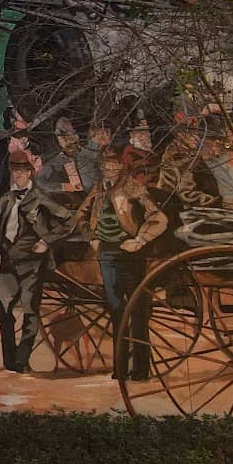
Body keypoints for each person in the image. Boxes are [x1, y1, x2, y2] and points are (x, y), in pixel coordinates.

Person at [76, 148, 167, 380]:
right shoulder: (98, 189)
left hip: (130, 254)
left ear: (120, 166)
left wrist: (140, 240)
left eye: (114, 164)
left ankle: (140, 370)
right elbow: (81, 215)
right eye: (105, 164)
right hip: (106, 253)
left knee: (137, 310)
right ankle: (120, 368)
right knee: (116, 310)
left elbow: (158, 218)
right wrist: (91, 237)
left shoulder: (132, 187)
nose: (109, 168)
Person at [0, 153, 72, 373]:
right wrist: (1, 245)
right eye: (14, 171)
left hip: (32, 263)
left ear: (29, 173)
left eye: (21, 172)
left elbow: (68, 220)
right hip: (9, 262)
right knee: (1, 304)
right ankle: (10, 358)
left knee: (29, 311)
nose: (18, 175)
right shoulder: (7, 198)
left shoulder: (40, 197)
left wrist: (46, 241)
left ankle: (21, 359)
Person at [38, 117, 97, 199]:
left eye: (70, 133)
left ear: (77, 135)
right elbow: (40, 182)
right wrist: (65, 187)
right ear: (58, 141)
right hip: (78, 200)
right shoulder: (56, 161)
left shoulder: (91, 150)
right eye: (62, 137)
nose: (68, 139)